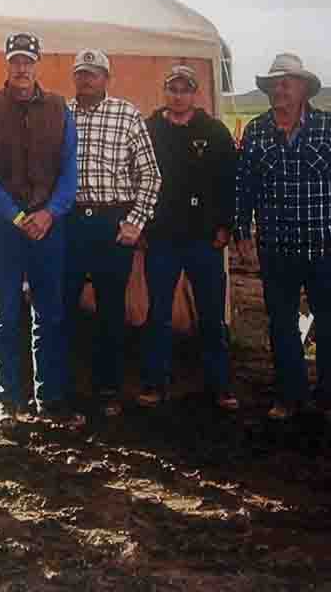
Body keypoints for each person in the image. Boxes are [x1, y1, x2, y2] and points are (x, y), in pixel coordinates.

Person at [235, 53, 331, 425]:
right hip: (276, 246)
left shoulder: (330, 127)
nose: (279, 88)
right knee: (281, 324)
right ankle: (288, 395)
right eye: (274, 83)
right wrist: (242, 230)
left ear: (304, 88)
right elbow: (244, 187)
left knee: (329, 324)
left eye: (287, 82)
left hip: (324, 244)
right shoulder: (257, 130)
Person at [0, 32, 77, 433]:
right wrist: (15, 216)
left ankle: (49, 398)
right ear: (6, 64)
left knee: (50, 314)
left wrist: (51, 213)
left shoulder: (59, 108)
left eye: (28, 61)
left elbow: (69, 171)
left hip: (49, 228)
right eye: (15, 60)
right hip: (5, 228)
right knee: (5, 313)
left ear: (38, 63)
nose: (22, 68)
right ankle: (6, 400)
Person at [61, 48, 163, 418]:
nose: (86, 79)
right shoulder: (61, 115)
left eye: (94, 73)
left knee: (110, 309)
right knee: (63, 307)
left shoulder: (127, 114)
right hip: (70, 221)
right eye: (81, 74)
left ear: (107, 78)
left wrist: (135, 221)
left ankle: (108, 390)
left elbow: (150, 175)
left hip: (111, 221)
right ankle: (65, 389)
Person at [141, 65, 237, 410]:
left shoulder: (214, 131)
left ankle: (221, 385)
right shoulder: (149, 130)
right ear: (165, 92)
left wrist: (226, 226)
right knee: (159, 315)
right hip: (162, 239)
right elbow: (136, 179)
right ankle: (155, 383)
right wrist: (141, 228)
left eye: (185, 89)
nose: (178, 95)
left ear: (195, 93)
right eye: (173, 89)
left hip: (205, 241)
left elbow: (230, 182)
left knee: (212, 316)